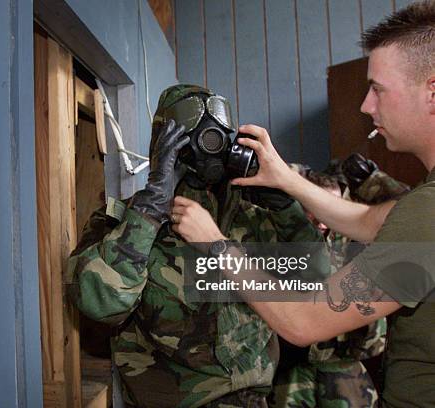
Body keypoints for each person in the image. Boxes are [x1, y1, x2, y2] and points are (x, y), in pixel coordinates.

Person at [169, 2, 435, 406]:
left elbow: (304, 320)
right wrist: (287, 180)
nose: (366, 105)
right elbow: (368, 222)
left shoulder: (429, 212)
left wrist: (215, 245)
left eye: (378, 88)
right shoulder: (423, 203)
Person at [69, 84, 329, 407]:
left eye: (220, 136)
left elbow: (320, 281)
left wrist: (284, 206)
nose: (212, 146)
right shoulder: (122, 222)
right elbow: (100, 303)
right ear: (166, 147)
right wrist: (149, 210)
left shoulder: (257, 219)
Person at [272, 160, 408, 408]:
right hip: (294, 364)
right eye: (313, 210)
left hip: (345, 361)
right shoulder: (284, 235)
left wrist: (375, 180)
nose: (322, 221)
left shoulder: (358, 235)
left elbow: (410, 209)